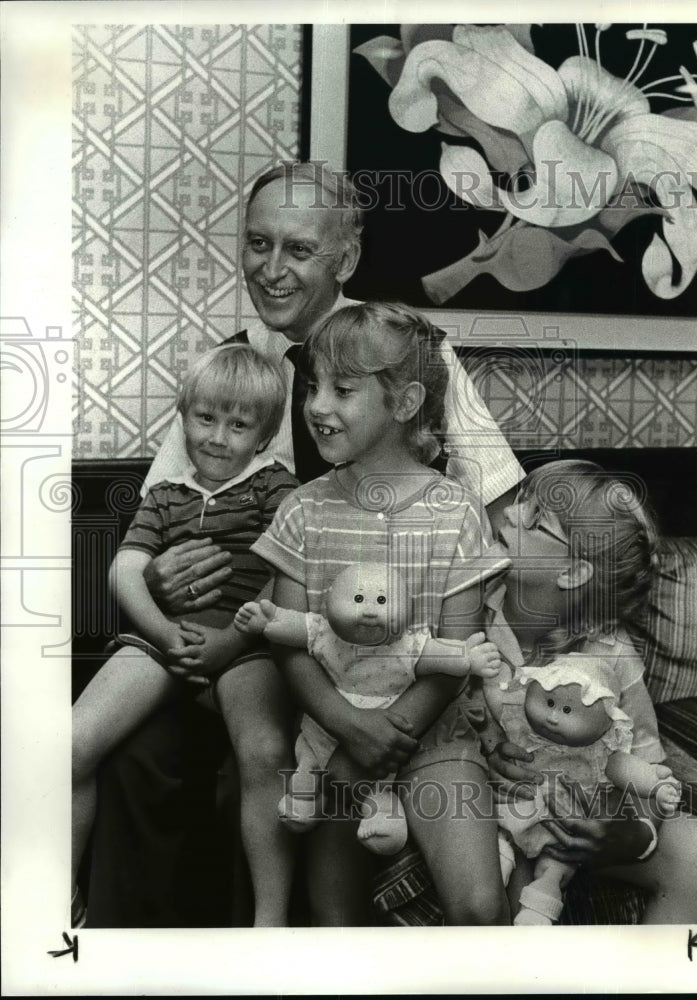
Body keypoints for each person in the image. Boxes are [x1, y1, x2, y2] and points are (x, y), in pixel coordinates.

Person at [83, 161, 523, 927]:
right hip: (255, 643)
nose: (271, 269)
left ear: (345, 260)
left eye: (297, 249)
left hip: (381, 645)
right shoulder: (239, 363)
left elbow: (500, 508)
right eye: (258, 244)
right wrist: (160, 573)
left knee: (282, 760)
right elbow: (167, 510)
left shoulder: (407, 350)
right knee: (143, 754)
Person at [252, 302, 513, 925]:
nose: (317, 406)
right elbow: (291, 642)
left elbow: (457, 651)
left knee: (478, 909)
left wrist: (388, 733)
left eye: (343, 389)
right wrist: (349, 726)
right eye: (313, 386)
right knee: (334, 921)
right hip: (330, 737)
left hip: (435, 737)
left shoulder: (456, 511)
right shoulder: (302, 510)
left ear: (404, 403)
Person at [72, 344, 299, 927]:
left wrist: (236, 638)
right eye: (205, 418)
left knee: (266, 751)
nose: (219, 437)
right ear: (183, 415)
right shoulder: (166, 494)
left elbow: (292, 573)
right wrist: (164, 633)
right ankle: (58, 901)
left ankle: (268, 923)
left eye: (239, 424)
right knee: (70, 744)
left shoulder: (277, 488)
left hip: (248, 645)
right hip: (167, 638)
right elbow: (124, 569)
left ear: (266, 434)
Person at [483, 459, 697, 924]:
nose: (509, 514)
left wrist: (633, 833)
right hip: (504, 814)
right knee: (510, 895)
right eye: (522, 500)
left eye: (535, 517)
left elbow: (648, 765)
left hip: (578, 813)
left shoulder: (612, 654)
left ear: (573, 572)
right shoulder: (472, 614)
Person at [234, 560, 501, 855]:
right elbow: (294, 627)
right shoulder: (325, 633)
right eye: (359, 599)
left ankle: (383, 812)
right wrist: (267, 621)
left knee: (378, 782)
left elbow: (440, 656)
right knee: (309, 756)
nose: (370, 610)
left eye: (382, 601)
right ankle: (306, 793)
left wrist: (468, 658)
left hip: (382, 726)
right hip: (326, 724)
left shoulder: (407, 644)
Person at [484, 655, 681, 924]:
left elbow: (631, 766)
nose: (552, 717)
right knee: (497, 844)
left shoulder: (599, 753)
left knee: (553, 869)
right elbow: (496, 699)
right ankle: (500, 860)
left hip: (563, 831)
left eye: (566, 711)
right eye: (550, 704)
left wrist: (656, 786)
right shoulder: (524, 731)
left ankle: (538, 911)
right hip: (510, 811)